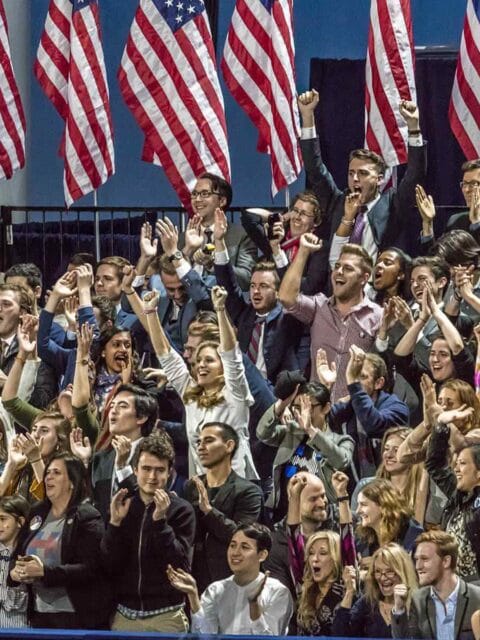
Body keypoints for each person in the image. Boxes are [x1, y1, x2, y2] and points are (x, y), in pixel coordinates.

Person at [138, 285, 257, 479]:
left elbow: (231, 355)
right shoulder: (191, 395)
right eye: (199, 360)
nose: (201, 365)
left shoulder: (235, 393)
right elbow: (166, 356)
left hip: (238, 486)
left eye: (209, 360)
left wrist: (219, 309)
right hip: (202, 485)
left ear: (222, 365)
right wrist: (151, 312)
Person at [297, 89, 426, 262]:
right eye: (351, 173)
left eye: (363, 173)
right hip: (338, 285)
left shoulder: (393, 204)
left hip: (376, 285)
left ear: (380, 179)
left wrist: (413, 127)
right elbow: (314, 169)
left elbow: (414, 174)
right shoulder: (337, 202)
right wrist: (307, 116)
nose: (355, 179)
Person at [101, 433, 195, 632]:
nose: (152, 477)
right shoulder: (123, 504)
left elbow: (179, 564)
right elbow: (109, 562)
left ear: (169, 472)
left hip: (167, 615)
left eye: (160, 470)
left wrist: (160, 522)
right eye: (146, 469)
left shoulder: (181, 509)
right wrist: (115, 523)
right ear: (135, 470)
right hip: (124, 614)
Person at [10, 452, 110, 629]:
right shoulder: (37, 512)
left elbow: (92, 568)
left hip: (77, 618)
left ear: (72, 482)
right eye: (47, 472)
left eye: (56, 472)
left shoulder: (87, 516)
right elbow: (17, 554)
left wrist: (45, 573)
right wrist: (15, 573)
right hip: (39, 616)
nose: (48, 477)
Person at [279, 239, 382, 400]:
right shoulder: (319, 306)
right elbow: (286, 296)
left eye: (348, 268)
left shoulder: (378, 316)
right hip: (317, 410)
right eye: (337, 266)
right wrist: (304, 251)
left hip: (355, 415)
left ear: (364, 278)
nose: (339, 271)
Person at [214, 208, 303, 383]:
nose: (255, 291)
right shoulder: (245, 314)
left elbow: (289, 286)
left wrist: (276, 247)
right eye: (253, 286)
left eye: (263, 286)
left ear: (277, 292)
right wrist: (219, 242)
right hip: (244, 387)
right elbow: (228, 284)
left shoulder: (289, 317)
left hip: (275, 392)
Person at [167, 523, 293, 635]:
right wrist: (193, 595)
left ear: (262, 555)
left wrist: (254, 604)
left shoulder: (278, 592)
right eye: (232, 545)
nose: (235, 552)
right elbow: (205, 636)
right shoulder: (215, 590)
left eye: (245, 547)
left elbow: (270, 638)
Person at [184, 421, 263, 592]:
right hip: (195, 580)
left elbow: (242, 538)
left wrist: (209, 511)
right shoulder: (191, 487)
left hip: (232, 581)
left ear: (229, 446)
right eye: (199, 441)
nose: (201, 447)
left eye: (209, 441)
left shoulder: (249, 492)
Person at [257, 377, 354, 516]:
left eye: (308, 407)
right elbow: (263, 433)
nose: (302, 414)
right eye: (297, 407)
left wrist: (310, 430)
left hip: (320, 515)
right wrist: (281, 404)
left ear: (326, 408)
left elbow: (341, 461)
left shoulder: (342, 440)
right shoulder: (292, 433)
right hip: (284, 513)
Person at [327, 347, 409, 481]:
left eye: (363, 377)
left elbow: (374, 424)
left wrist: (353, 385)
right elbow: (323, 423)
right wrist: (326, 388)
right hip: (355, 490)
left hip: (389, 490)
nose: (357, 381)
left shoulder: (397, 408)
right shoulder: (348, 406)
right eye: (355, 375)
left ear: (378, 383)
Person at [392, 530, 480, 639]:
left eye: (425, 559)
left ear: (446, 561)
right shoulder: (418, 599)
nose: (418, 566)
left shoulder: (477, 598)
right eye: (416, 559)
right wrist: (399, 609)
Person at [264, 472, 337, 603]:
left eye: (323, 496)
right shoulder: (276, 544)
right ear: (295, 500)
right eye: (313, 499)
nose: (321, 503)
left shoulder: (340, 527)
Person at [241, 190, 329, 295]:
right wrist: (280, 218)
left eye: (304, 213)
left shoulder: (318, 247)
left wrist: (277, 251)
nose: (297, 217)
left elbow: (308, 288)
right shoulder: (276, 239)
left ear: (316, 222)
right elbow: (248, 216)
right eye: (295, 211)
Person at [180, 172, 257, 291]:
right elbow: (169, 281)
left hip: (226, 305)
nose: (197, 199)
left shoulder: (241, 235)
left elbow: (247, 279)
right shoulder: (182, 239)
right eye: (194, 194)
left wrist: (214, 265)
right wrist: (187, 251)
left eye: (205, 194)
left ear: (222, 201)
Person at [425, 424, 480, 581]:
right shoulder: (458, 496)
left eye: (462, 463)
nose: (456, 469)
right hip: (453, 584)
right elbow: (434, 464)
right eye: (457, 463)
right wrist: (441, 426)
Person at [333, 543, 418, 638]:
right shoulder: (368, 602)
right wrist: (349, 591)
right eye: (378, 571)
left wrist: (399, 608)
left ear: (402, 573)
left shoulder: (418, 604)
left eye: (389, 571)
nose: (382, 578)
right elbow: (340, 634)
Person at [355, 478, 423, 558]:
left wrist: (377, 565)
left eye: (363, 504)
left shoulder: (412, 536)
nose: (357, 511)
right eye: (358, 505)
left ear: (382, 505)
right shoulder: (363, 540)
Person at [296, 530, 344, 636]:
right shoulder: (306, 592)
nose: (314, 559)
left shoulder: (346, 593)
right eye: (311, 553)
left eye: (323, 553)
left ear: (337, 558)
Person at [0, 495, 30, 628]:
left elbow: (17, 603)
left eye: (2, 519)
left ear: (20, 522)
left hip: (18, 629)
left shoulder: (29, 554)